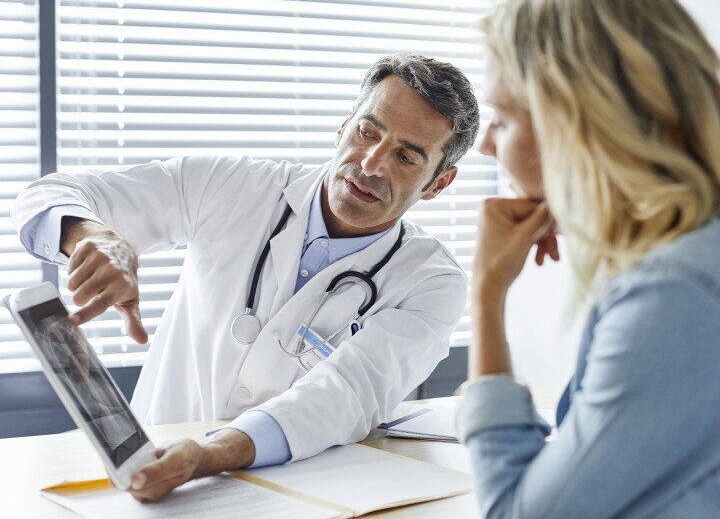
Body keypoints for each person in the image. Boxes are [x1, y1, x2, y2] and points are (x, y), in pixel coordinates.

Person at [12, 53, 480, 501]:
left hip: (297, 497)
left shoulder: (432, 282)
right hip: (149, 481)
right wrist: (95, 237)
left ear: (438, 183)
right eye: (366, 132)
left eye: (406, 157)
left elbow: (349, 393)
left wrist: (212, 454)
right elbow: (49, 194)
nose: (372, 164)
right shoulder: (230, 186)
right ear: (343, 125)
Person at [455, 0, 720, 517]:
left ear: (579, 126)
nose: (486, 147)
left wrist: (487, 294)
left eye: (502, 118)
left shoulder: (685, 296)